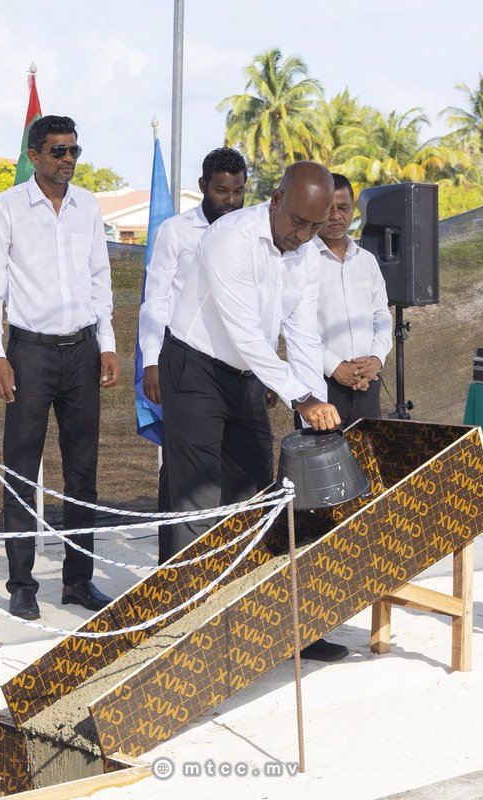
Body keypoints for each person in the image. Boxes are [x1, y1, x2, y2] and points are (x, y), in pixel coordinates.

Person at [160, 161, 348, 662]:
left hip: (247, 378)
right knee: (197, 500)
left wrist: (311, 402)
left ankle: (264, 627)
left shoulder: (306, 253)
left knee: (255, 500)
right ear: (275, 200)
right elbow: (244, 331)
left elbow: (302, 334)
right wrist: (299, 397)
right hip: (196, 367)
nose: (304, 236)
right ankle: (187, 640)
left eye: (314, 226)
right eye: (297, 222)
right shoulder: (229, 237)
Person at [0, 115, 121, 620]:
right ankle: (21, 584)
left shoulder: (89, 207)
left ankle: (79, 581)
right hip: (29, 354)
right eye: (58, 151)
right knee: (20, 471)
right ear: (35, 154)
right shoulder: (7, 208)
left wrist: (107, 344)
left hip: (82, 352)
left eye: (74, 151)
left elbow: (100, 280)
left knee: (83, 472)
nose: (67, 160)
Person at [137, 147, 249, 564]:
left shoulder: (249, 230)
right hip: (184, 362)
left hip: (239, 367)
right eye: (222, 191)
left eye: (238, 191)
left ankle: (230, 566)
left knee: (235, 473)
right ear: (203, 186)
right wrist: (151, 362)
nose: (231, 200)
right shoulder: (176, 231)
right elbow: (156, 300)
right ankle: (176, 569)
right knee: (186, 474)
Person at [309, 172, 391, 427]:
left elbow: (382, 316)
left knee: (366, 463)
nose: (336, 216)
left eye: (343, 208)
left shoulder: (367, 260)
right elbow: (296, 328)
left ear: (353, 210)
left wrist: (376, 360)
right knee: (325, 465)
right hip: (321, 387)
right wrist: (335, 368)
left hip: (368, 384)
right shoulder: (301, 259)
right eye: (328, 208)